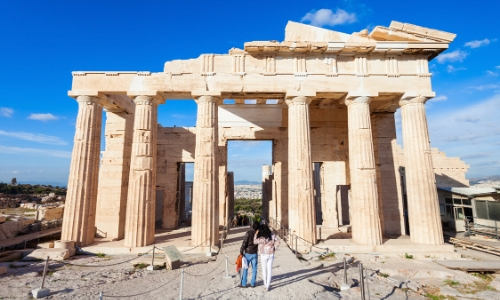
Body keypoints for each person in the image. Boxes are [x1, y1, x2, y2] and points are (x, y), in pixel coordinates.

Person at [254, 223, 280, 291]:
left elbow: (254, 241)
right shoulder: (272, 235)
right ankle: (268, 286)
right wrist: (274, 248)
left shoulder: (261, 238)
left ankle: (265, 285)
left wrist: (256, 234)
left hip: (263, 254)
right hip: (271, 254)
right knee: (269, 270)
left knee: (264, 270)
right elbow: (278, 241)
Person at [239, 222, 260, 288]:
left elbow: (244, 242)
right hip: (255, 253)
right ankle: (253, 283)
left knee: (245, 268)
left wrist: (241, 250)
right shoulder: (259, 234)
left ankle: (244, 283)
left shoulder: (248, 233)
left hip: (248, 253)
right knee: (254, 269)